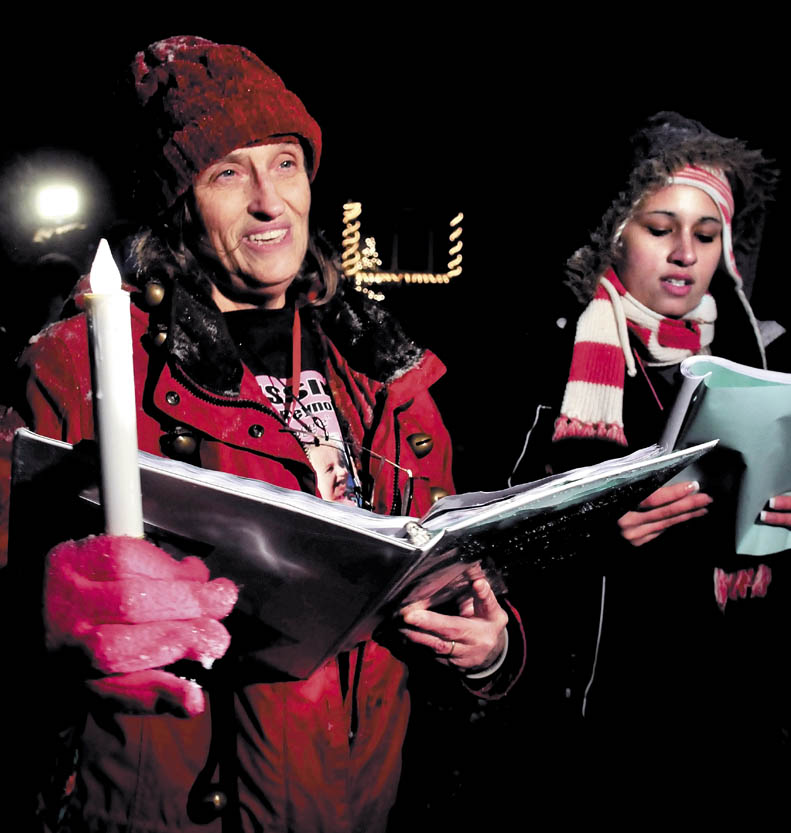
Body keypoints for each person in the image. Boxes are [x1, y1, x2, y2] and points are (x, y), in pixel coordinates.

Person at [4, 36, 521, 833]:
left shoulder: (382, 369)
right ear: (180, 202)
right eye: (226, 173)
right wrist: (36, 614)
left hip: (361, 803)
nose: (268, 201)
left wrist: (488, 647)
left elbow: (451, 563)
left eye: (285, 163)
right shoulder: (84, 362)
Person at [508, 112, 791, 803]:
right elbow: (496, 541)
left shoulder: (765, 358)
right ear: (615, 234)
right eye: (660, 229)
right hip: (603, 727)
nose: (684, 255)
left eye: (705, 235)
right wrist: (598, 535)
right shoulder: (555, 363)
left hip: (736, 728)